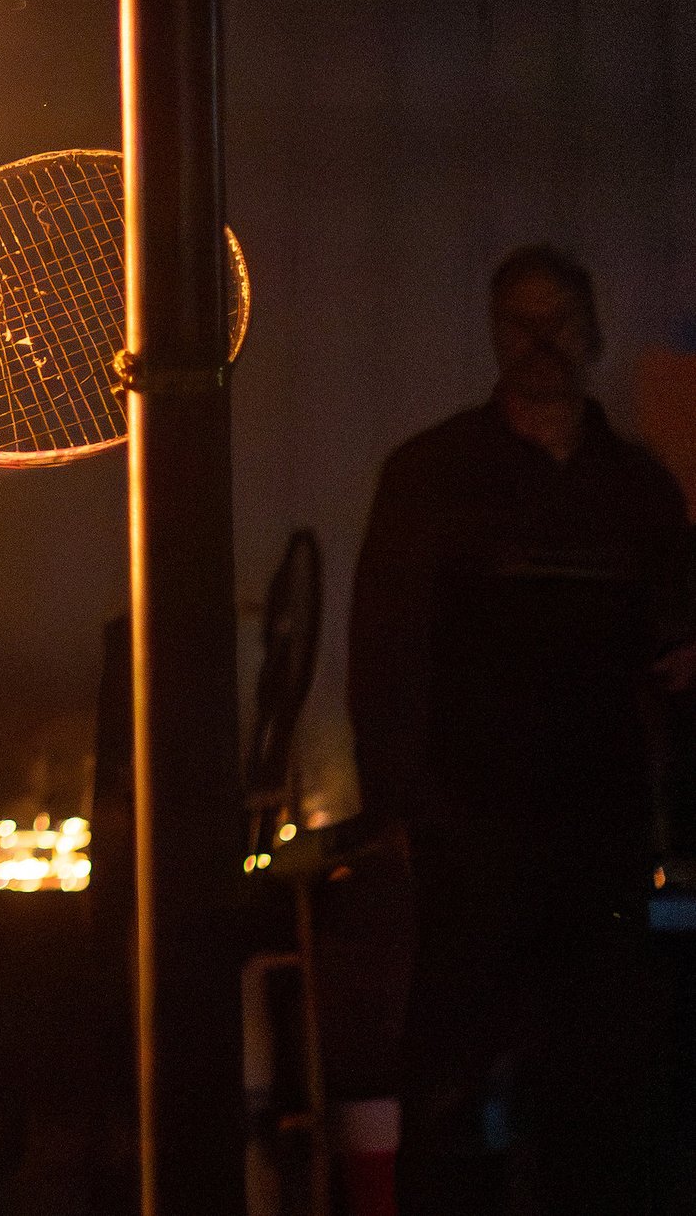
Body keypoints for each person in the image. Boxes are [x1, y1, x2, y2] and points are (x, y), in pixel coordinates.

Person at [348, 244, 695, 1215]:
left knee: (599, 1070)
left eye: (558, 320)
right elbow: (384, 644)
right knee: (453, 1071)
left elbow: (672, 644)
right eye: (521, 321)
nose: (541, 342)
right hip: (473, 822)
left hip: (597, 825)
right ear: (495, 334)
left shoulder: (636, 491)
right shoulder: (433, 476)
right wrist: (398, 802)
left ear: (591, 331)